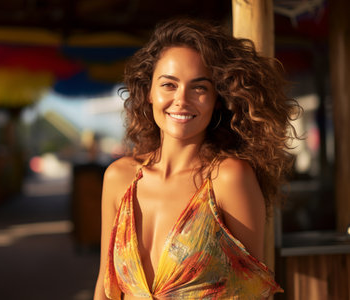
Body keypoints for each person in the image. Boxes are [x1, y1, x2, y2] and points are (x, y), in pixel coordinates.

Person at [94, 17, 299, 299]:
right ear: (149, 91)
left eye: (199, 87)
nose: (182, 99)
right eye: (169, 85)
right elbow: (105, 287)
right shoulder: (119, 177)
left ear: (217, 99)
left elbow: (253, 292)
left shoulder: (228, 178)